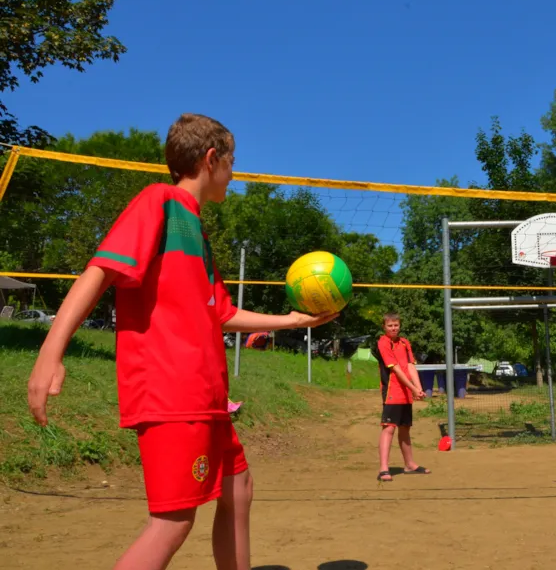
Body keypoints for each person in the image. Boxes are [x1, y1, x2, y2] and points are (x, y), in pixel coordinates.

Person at [26, 113, 338, 570]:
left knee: (239, 490)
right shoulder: (161, 202)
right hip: (173, 393)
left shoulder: (197, 230)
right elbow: (99, 272)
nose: (234, 174)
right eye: (232, 163)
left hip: (208, 396)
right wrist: (49, 354)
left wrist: (292, 321)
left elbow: (222, 314)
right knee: (172, 523)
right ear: (212, 159)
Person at [373, 312, 430, 482]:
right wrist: (413, 388)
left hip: (406, 393)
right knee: (389, 427)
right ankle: (384, 468)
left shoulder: (405, 342)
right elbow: (396, 369)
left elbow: (410, 366)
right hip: (392, 391)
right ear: (384, 327)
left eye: (396, 325)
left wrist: (419, 389)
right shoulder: (383, 342)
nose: (393, 328)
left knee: (405, 428)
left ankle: (410, 464)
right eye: (390, 325)